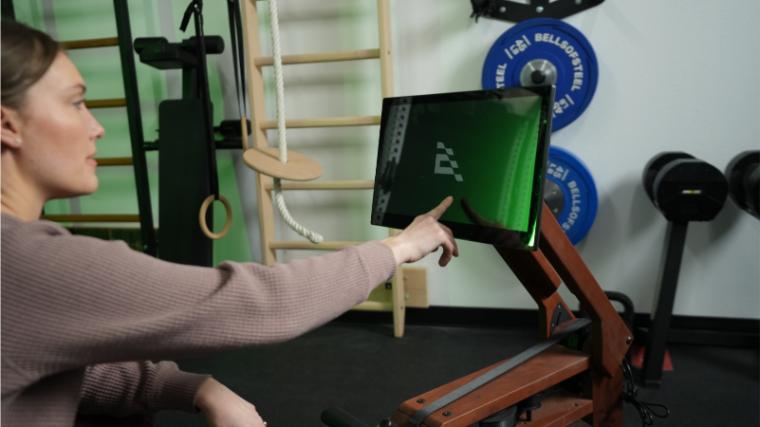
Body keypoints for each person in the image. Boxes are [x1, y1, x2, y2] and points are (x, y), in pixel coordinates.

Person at [0, 20, 459, 427]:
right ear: (7, 124)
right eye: (76, 104)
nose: (96, 127)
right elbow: (259, 304)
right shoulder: (26, 263)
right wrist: (399, 247)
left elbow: (60, 367)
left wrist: (196, 389)